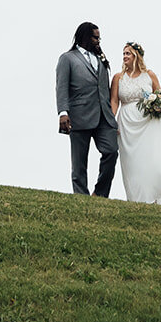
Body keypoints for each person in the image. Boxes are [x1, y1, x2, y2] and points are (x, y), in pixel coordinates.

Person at [55, 22, 118, 197]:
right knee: (79, 164)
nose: (98, 40)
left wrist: (112, 118)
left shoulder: (100, 59)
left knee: (111, 151)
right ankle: (81, 197)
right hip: (79, 116)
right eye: (95, 37)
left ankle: (100, 194)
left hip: (104, 118)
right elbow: (61, 87)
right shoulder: (67, 58)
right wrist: (63, 112)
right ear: (84, 37)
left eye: (99, 37)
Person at [110, 41, 161, 204]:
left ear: (136, 56)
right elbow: (114, 101)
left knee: (151, 162)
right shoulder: (118, 77)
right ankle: (136, 199)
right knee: (132, 165)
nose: (124, 56)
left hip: (147, 125)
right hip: (126, 124)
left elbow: (160, 96)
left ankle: (156, 198)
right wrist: (112, 121)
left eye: (128, 53)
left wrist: (159, 106)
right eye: (123, 53)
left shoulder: (150, 75)